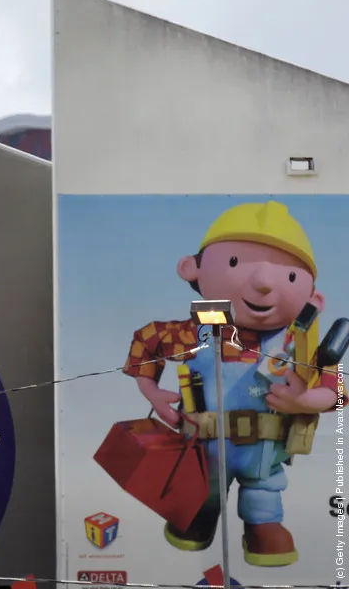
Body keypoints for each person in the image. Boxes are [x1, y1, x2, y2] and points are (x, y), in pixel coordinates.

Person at [120, 201, 343, 567]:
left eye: (289, 277)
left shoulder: (298, 344)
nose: (263, 284)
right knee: (200, 496)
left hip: (264, 451)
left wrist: (307, 400)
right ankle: (197, 521)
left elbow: (338, 389)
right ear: (191, 268)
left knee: (264, 495)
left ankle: (262, 528)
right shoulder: (200, 330)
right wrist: (151, 391)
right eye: (236, 263)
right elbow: (149, 340)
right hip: (204, 448)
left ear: (312, 298)